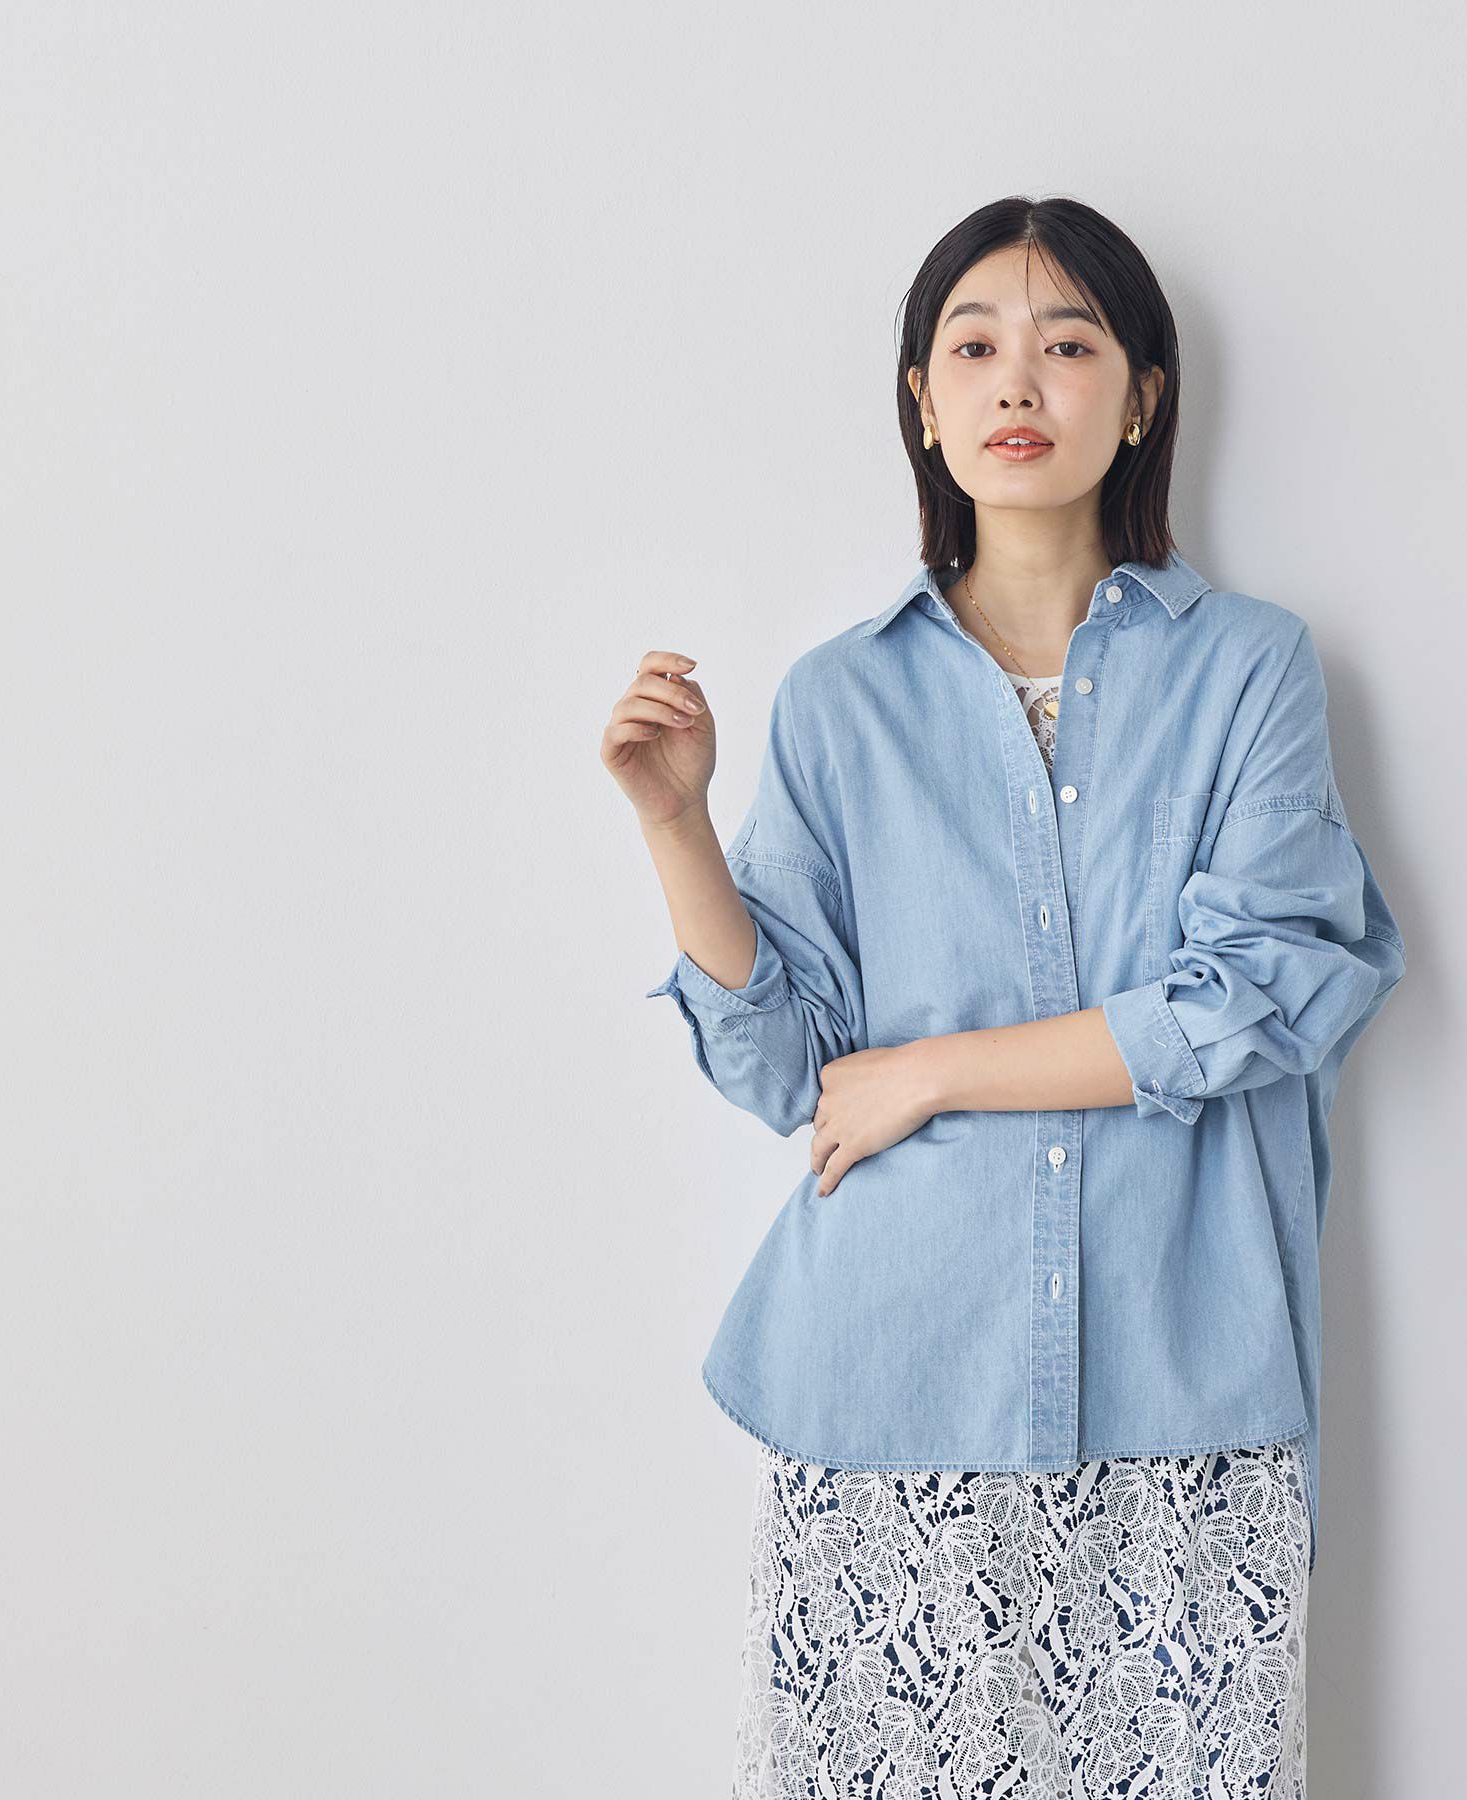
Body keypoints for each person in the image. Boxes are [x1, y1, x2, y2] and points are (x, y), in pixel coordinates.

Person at [600, 196, 1406, 1799]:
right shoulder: (840, 700)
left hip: (1186, 1394)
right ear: (922, 400)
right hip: (890, 1392)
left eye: (1068, 344)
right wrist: (678, 826)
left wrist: (939, 1069)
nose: (1017, 382)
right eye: (972, 348)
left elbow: (1251, 1000)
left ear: (1144, 396)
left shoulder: (1249, 671)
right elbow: (797, 1073)